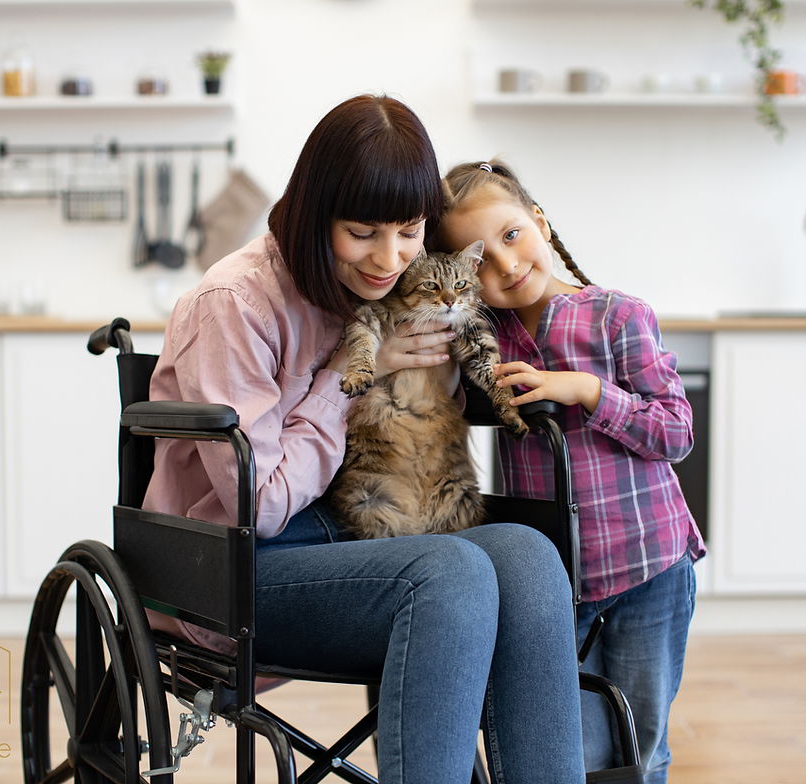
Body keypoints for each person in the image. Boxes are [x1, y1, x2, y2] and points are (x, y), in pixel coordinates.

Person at [142, 96, 585, 783]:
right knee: (451, 573)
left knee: (526, 557)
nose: (390, 258)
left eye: (410, 231)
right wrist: (353, 378)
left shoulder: (384, 287)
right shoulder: (233, 304)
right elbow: (258, 506)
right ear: (316, 213)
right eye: (362, 232)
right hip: (235, 568)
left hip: (359, 539)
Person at [436, 159, 707, 783]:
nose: (505, 265)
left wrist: (589, 389)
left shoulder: (617, 315)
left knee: (642, 750)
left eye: (511, 235)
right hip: (556, 587)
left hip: (650, 569)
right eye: (478, 259)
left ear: (540, 221)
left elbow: (676, 430)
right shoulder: (480, 339)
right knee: (573, 755)